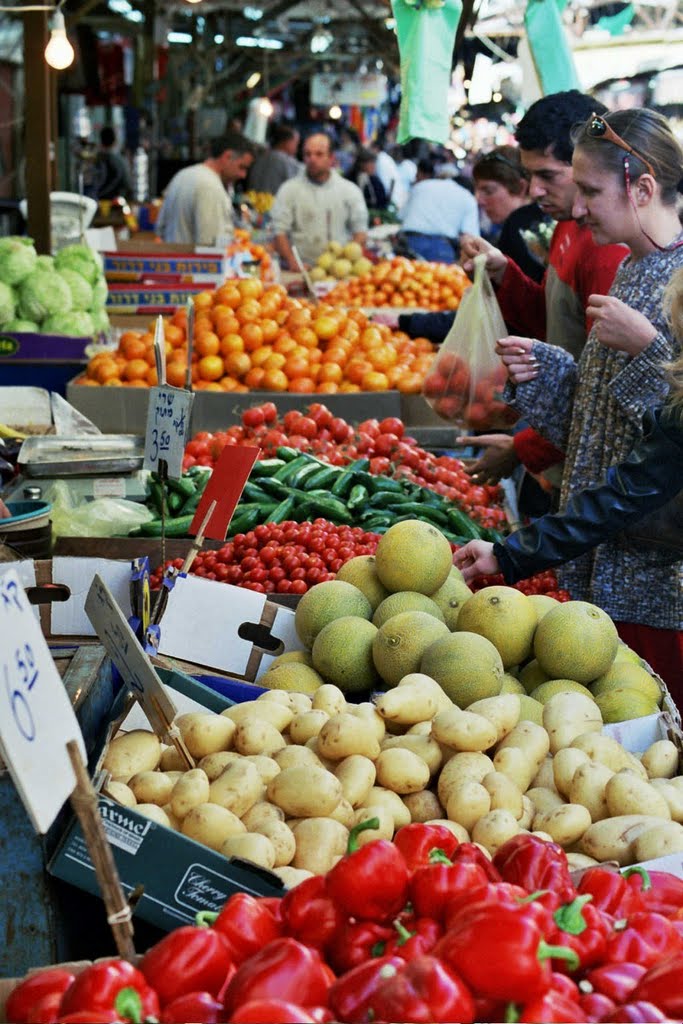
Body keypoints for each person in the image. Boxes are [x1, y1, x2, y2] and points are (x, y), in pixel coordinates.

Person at [459, 109, 683, 688]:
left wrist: (651, 349)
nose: (577, 209)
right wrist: (552, 374)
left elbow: (665, 443)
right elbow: (601, 421)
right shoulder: (631, 265)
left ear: (642, 188)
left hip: (652, 574)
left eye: (589, 190)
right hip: (595, 548)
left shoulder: (677, 281)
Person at [270, 132, 368, 269]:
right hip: (301, 270)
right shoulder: (288, 190)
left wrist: (346, 262)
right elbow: (278, 231)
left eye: (319, 154)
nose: (312, 159)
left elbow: (360, 231)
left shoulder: (350, 191)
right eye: (308, 154)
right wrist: (292, 261)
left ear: (331, 158)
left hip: (338, 272)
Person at [156, 132, 254, 247]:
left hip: (174, 260)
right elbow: (210, 245)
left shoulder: (182, 175)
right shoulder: (210, 187)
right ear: (227, 156)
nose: (243, 175)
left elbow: (160, 229)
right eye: (241, 167)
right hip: (193, 263)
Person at [472, 145, 550, 284]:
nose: (479, 200)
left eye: (489, 191)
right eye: (477, 191)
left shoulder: (516, 224)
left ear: (521, 187)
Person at [398, 157, 479, 264]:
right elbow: (470, 238)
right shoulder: (468, 198)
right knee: (438, 279)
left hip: (408, 241)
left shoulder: (422, 185)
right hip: (441, 248)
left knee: (405, 277)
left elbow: (400, 216)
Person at [246, 124, 300, 196]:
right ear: (287, 142)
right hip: (275, 205)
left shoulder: (259, 157)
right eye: (296, 143)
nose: (297, 148)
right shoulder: (289, 162)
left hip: (250, 201)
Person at [94, 127, 133, 201]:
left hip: (102, 202)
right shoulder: (120, 160)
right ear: (115, 141)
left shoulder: (97, 159)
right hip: (116, 202)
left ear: (101, 141)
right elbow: (128, 185)